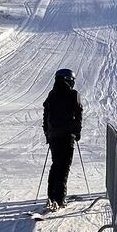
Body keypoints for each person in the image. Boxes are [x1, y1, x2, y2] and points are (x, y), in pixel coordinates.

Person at [41, 67, 82, 209]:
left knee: (55, 164)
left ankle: (51, 196)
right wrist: (77, 132)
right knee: (64, 167)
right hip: (67, 135)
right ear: (69, 80)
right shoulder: (73, 94)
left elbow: (46, 115)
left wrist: (47, 133)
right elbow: (78, 113)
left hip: (54, 136)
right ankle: (59, 199)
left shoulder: (51, 94)